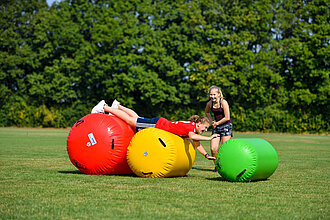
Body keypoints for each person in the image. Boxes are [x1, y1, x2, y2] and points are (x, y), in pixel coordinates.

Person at [91, 100, 218, 160]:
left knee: (137, 118)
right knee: (131, 122)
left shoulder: (192, 128)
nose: (206, 130)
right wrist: (209, 138)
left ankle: (117, 106)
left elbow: (197, 144)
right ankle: (105, 107)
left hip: (159, 123)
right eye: (205, 127)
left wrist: (206, 155)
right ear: (199, 123)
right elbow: (194, 138)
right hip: (157, 126)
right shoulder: (191, 128)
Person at [205, 86, 233, 170]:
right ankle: (217, 166)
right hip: (216, 127)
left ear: (219, 94)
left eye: (214, 94)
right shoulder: (210, 103)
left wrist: (217, 123)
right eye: (211, 94)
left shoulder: (223, 102)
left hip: (226, 126)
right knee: (213, 149)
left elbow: (227, 117)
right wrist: (211, 121)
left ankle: (226, 166)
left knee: (225, 149)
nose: (212, 96)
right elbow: (207, 112)